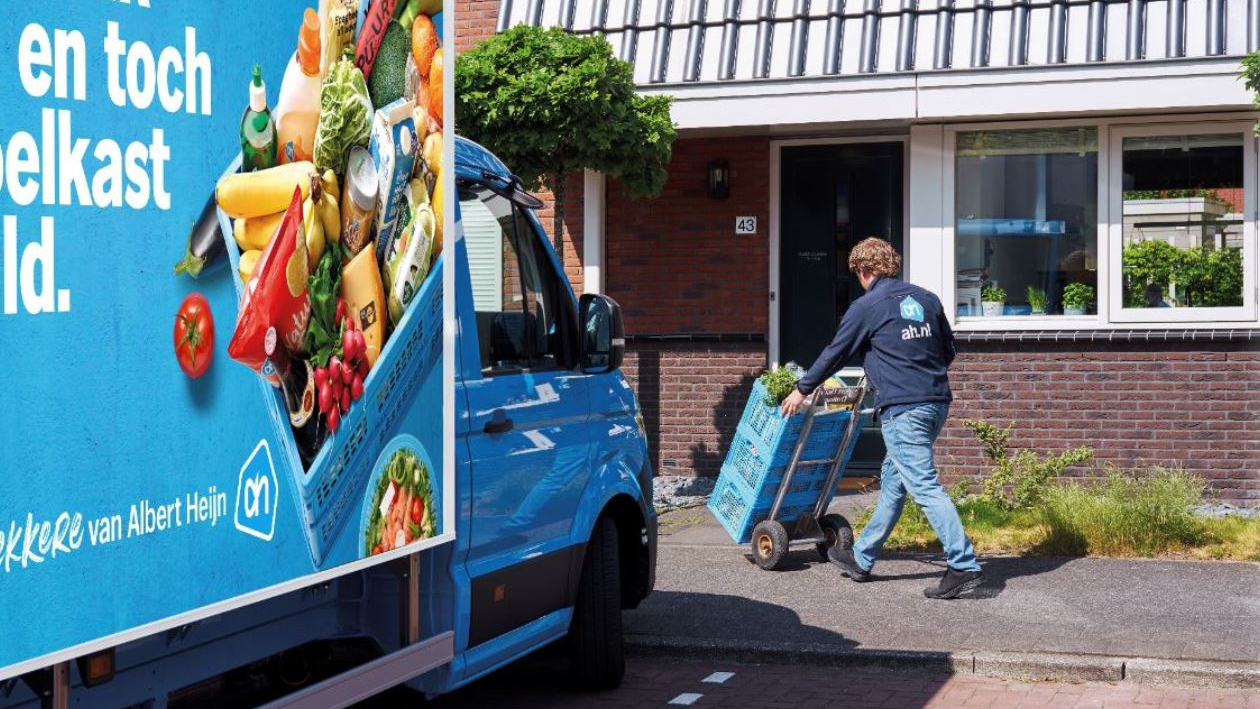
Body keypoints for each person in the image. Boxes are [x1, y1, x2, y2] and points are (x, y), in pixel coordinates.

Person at [780, 237, 984, 599]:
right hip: (936, 402)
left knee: (922, 484)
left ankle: (963, 565)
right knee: (894, 481)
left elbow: (836, 353)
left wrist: (802, 388)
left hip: (904, 409)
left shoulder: (867, 306)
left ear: (863, 269)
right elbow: (948, 349)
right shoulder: (927, 299)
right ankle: (861, 558)